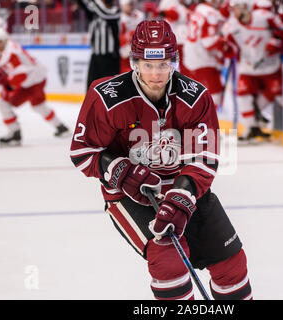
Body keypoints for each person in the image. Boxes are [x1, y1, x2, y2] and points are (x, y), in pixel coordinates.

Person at [70, 19, 252, 300]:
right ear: (134, 62)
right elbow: (83, 151)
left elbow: (205, 157)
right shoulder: (106, 97)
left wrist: (181, 196)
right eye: (148, 64)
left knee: (231, 264)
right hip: (130, 196)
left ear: (174, 62)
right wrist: (120, 170)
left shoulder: (196, 97)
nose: (156, 74)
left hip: (184, 190)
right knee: (168, 259)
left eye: (163, 64)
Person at [0, 28, 69, 146]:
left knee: (3, 103)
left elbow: (21, 74)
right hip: (35, 78)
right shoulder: (8, 48)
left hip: (31, 82)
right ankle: (61, 127)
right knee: (38, 106)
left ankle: (15, 133)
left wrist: (8, 83)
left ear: (5, 40)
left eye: (0, 41)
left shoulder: (11, 53)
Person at [223, 0, 283, 141]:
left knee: (279, 94)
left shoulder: (265, 17)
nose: (234, 11)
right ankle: (250, 128)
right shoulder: (231, 26)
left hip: (270, 66)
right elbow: (231, 47)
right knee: (242, 95)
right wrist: (227, 49)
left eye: (237, 7)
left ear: (246, 7)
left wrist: (275, 42)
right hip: (248, 67)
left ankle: (256, 120)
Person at [183, 0, 234, 108]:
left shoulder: (200, 8)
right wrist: (224, 45)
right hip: (203, 60)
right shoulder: (211, 13)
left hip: (191, 57)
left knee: (194, 97)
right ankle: (206, 123)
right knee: (214, 96)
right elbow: (208, 41)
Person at [76, 0, 121, 90]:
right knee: (91, 87)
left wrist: (94, 2)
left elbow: (104, 13)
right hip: (96, 57)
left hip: (110, 58)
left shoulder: (115, 11)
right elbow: (83, 4)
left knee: (110, 87)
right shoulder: (94, 13)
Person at [119, 0, 145, 74]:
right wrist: (129, 36)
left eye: (132, 4)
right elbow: (119, 37)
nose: (131, 6)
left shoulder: (140, 15)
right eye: (129, 4)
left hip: (138, 49)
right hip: (125, 50)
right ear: (122, 5)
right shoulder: (120, 18)